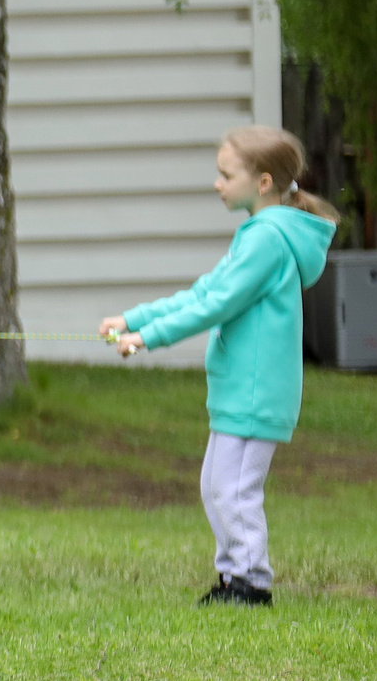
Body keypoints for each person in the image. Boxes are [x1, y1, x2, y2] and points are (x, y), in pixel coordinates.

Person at [102, 126, 336, 607]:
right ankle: (233, 578)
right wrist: (134, 318)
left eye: (227, 175)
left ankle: (252, 584)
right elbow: (203, 292)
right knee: (216, 487)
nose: (217, 183)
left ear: (264, 182)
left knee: (234, 491)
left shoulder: (268, 240)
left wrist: (148, 338)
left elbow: (217, 305)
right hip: (238, 390)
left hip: (257, 391)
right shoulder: (255, 235)